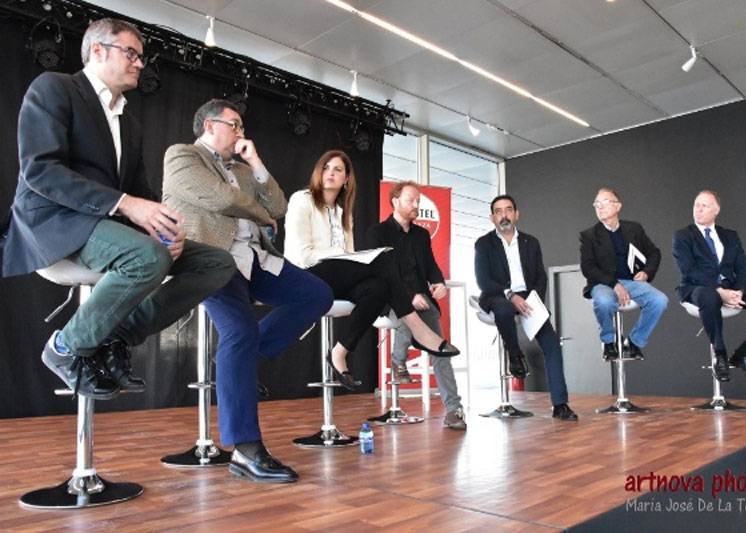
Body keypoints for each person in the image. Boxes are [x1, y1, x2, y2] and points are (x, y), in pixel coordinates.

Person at [0, 19, 235, 399]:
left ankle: (114, 337)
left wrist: (163, 230)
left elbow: (138, 190)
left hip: (109, 227)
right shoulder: (54, 88)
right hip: (54, 223)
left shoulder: (130, 123)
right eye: (131, 53)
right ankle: (65, 347)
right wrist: (128, 208)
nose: (140, 63)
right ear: (97, 50)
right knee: (146, 256)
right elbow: (40, 171)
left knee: (217, 263)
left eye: (141, 57)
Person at [162, 99, 333, 483]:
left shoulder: (241, 167)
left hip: (255, 260)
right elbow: (221, 199)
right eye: (234, 125)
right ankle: (245, 449)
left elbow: (279, 204)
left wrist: (255, 163)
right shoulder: (183, 156)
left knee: (317, 295)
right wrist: (261, 215)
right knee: (237, 332)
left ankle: (242, 358)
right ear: (209, 125)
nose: (241, 133)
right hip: (209, 259)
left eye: (242, 127)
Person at [284, 150, 459, 390]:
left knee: (378, 287)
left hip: (335, 277)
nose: (330, 174)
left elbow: (350, 259)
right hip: (305, 275)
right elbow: (302, 256)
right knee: (383, 258)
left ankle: (339, 351)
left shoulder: (343, 211)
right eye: (326, 168)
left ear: (347, 179)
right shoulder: (301, 200)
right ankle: (419, 331)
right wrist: (340, 254)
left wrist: (346, 257)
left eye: (338, 170)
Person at [365, 181, 466, 430]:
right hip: (389, 298)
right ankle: (398, 361)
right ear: (395, 201)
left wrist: (439, 283)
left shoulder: (421, 235)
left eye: (418, 201)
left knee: (441, 350)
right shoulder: (377, 233)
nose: (416, 205)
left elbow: (430, 265)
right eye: (411, 200)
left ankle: (454, 410)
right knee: (409, 316)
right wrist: (409, 296)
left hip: (422, 301)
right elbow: (380, 272)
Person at [474, 195, 577, 421]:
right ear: (492, 218)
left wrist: (533, 301)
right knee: (503, 309)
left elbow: (541, 277)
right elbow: (483, 280)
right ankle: (515, 355)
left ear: (516, 214)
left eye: (508, 210)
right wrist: (510, 295)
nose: (504, 215)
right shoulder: (484, 244)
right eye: (499, 211)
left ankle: (560, 405)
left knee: (552, 343)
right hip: (498, 295)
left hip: (528, 298)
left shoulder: (531, 242)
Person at [673, 190, 746, 383]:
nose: (699, 209)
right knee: (709, 296)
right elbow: (689, 270)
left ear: (716, 210)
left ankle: (744, 353)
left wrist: (740, 291)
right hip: (697, 288)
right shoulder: (683, 236)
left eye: (705, 205)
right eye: (696, 205)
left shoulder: (729, 236)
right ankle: (720, 354)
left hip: (731, 287)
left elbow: (744, 268)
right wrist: (720, 291)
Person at [579, 187, 668, 360]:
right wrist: (614, 284)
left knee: (659, 300)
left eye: (605, 202)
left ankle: (634, 341)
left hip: (632, 281)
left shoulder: (634, 229)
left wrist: (646, 273)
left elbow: (654, 253)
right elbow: (588, 268)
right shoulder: (589, 235)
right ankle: (609, 341)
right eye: (596, 203)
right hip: (603, 283)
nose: (600, 206)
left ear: (618, 206)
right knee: (604, 301)